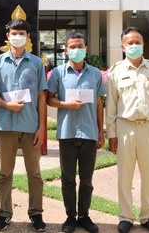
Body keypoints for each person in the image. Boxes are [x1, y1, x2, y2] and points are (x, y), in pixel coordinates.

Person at [105, 27, 149, 233]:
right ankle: (125, 217)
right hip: (125, 128)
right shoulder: (116, 71)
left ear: (143, 44)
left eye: (138, 42)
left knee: (148, 175)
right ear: (123, 47)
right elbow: (112, 107)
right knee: (124, 176)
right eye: (130, 43)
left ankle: (148, 216)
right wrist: (112, 134)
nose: (134, 46)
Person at [0, 18, 48, 232]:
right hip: (6, 125)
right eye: (14, 33)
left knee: (35, 173)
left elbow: (41, 96)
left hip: (31, 126)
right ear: (7, 36)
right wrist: (6, 104)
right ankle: (4, 213)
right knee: (5, 173)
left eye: (21, 33)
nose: (17, 37)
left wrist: (42, 127)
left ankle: (36, 213)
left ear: (28, 37)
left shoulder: (37, 63)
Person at [46, 32, 105, 233]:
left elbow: (99, 103)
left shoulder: (95, 74)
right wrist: (65, 104)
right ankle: (70, 216)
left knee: (87, 180)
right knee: (68, 178)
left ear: (86, 48)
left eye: (80, 46)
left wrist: (101, 131)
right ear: (66, 50)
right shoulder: (57, 73)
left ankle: (84, 216)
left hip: (89, 132)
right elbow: (49, 99)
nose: (77, 50)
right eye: (72, 47)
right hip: (67, 132)